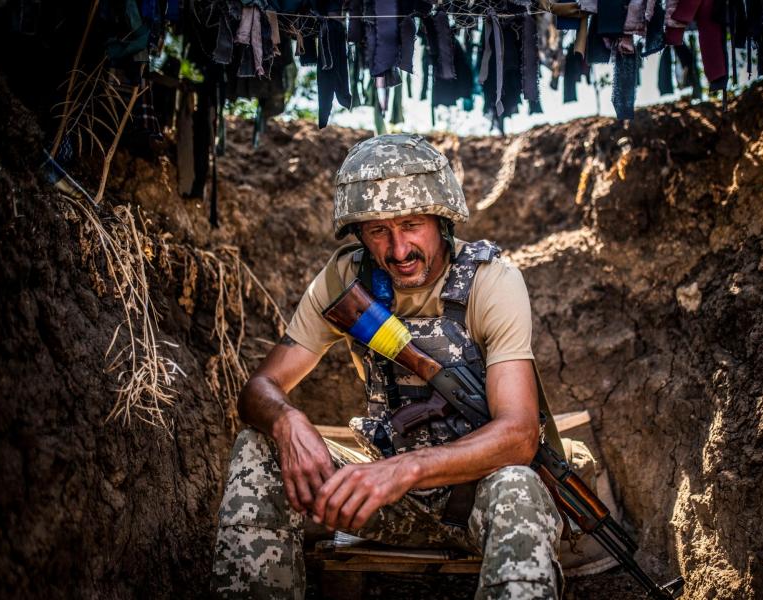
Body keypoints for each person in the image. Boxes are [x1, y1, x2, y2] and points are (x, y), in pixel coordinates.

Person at [212, 134, 567, 599]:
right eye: (379, 231)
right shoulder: (346, 279)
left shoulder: (490, 282)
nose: (398, 250)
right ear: (359, 233)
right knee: (257, 446)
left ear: (442, 221)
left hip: (473, 498)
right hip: (381, 498)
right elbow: (259, 387)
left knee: (519, 486)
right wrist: (287, 420)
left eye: (411, 224)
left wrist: (408, 469)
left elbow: (519, 435)